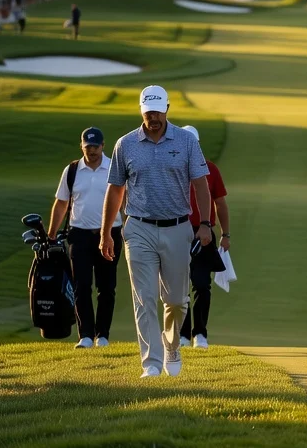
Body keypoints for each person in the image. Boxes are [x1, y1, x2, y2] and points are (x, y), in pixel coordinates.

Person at [101, 86, 212, 378]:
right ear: (141, 111)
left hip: (177, 228)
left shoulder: (187, 141)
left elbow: (201, 184)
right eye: (149, 112)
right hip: (138, 228)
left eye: (158, 112)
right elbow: (115, 190)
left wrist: (205, 223)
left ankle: (172, 345)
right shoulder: (125, 144)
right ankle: (151, 363)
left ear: (167, 109)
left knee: (176, 300)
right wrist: (105, 233)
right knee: (145, 298)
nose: (154, 118)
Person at [48, 127, 120, 348]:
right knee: (81, 285)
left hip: (110, 233)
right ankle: (86, 335)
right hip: (79, 235)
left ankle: (103, 335)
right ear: (82, 146)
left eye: (95, 146)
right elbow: (62, 203)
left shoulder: (114, 168)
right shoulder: (71, 171)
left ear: (103, 145)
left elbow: (124, 201)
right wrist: (51, 235)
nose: (92, 151)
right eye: (88, 147)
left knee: (106, 287)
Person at [177, 125, 231, 350]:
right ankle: (182, 334)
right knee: (178, 288)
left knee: (201, 285)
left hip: (203, 233)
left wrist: (225, 234)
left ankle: (199, 333)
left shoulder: (210, 169)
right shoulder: (173, 168)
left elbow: (220, 203)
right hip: (177, 232)